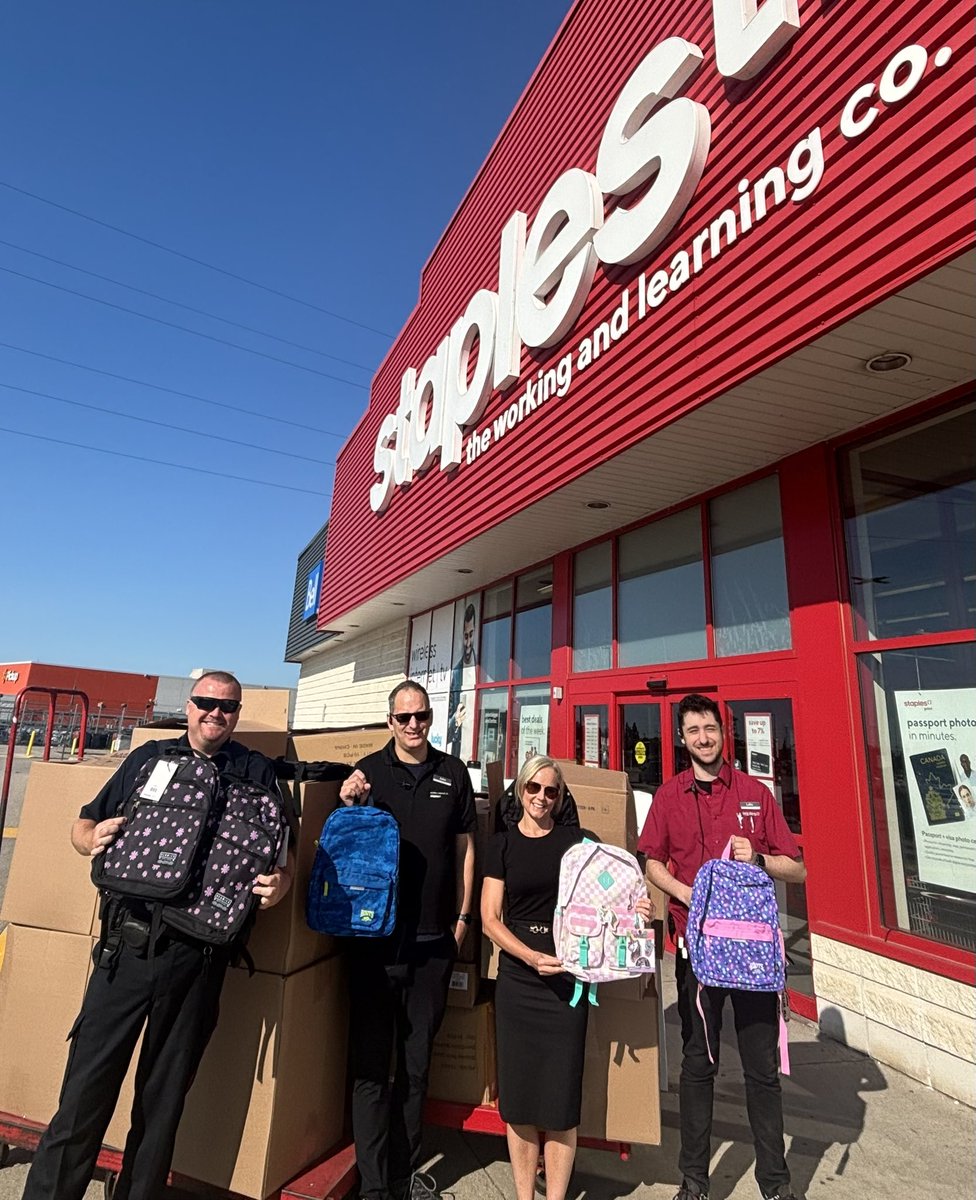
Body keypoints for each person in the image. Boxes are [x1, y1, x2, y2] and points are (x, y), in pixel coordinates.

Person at [22, 671, 293, 1200]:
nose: (216, 713)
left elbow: (285, 855)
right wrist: (89, 838)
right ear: (188, 707)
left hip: (199, 961)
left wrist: (280, 883)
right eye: (206, 702)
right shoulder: (149, 759)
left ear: (237, 715)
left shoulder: (258, 772)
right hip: (127, 950)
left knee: (162, 1104)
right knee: (83, 1094)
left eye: (228, 706)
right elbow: (84, 824)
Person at [638, 694, 807, 1200]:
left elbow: (797, 868)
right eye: (693, 731)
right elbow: (651, 861)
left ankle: (775, 1184)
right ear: (682, 738)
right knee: (698, 1064)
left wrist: (759, 859)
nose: (703, 738)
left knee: (762, 1071)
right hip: (697, 954)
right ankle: (694, 1182)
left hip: (752, 957)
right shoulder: (669, 796)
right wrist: (687, 893)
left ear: (723, 732)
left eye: (710, 728)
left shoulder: (754, 793)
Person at [481, 754, 653, 1200]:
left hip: (567, 983)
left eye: (551, 791)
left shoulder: (580, 843)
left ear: (560, 797)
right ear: (521, 790)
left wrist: (638, 908)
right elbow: (490, 919)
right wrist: (530, 957)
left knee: (561, 1103)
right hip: (519, 981)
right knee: (519, 1102)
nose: (541, 797)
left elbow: (616, 894)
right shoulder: (501, 845)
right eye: (533, 788)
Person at [339, 680, 476, 1200]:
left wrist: (462, 920)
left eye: (422, 716)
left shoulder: (453, 773)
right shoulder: (368, 773)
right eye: (404, 717)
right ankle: (373, 1186)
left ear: (431, 718)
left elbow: (465, 849)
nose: (414, 725)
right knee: (372, 1068)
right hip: (374, 944)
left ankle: (403, 1176)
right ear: (390, 721)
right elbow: (346, 842)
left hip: (433, 942)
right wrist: (347, 801)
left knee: (416, 1068)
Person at [446, 603, 477, 758]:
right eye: (465, 636)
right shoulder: (456, 673)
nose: (468, 642)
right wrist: (455, 720)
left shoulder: (483, 670)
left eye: (471, 635)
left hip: (476, 753)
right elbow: (446, 728)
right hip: (458, 755)